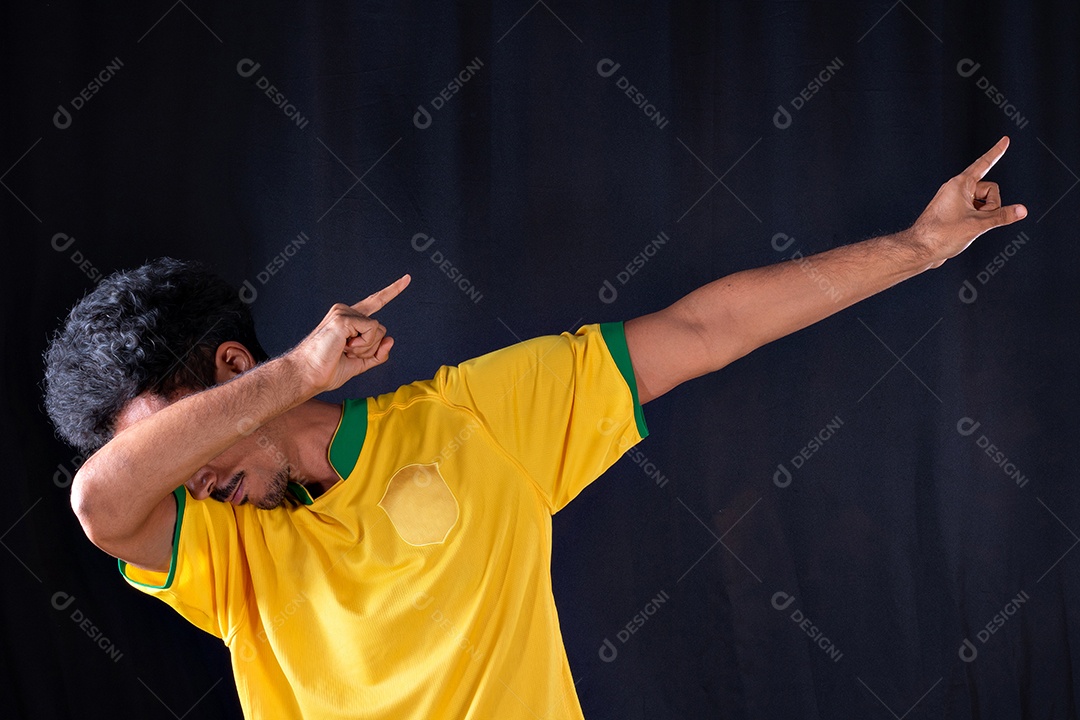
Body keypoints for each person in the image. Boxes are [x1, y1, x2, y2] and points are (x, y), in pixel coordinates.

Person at [44, 137, 1025, 719]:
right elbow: (102, 498)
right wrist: (299, 372)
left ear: (230, 371)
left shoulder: (477, 419)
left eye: (175, 438)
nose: (180, 478)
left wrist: (918, 249)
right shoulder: (217, 547)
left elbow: (702, 329)